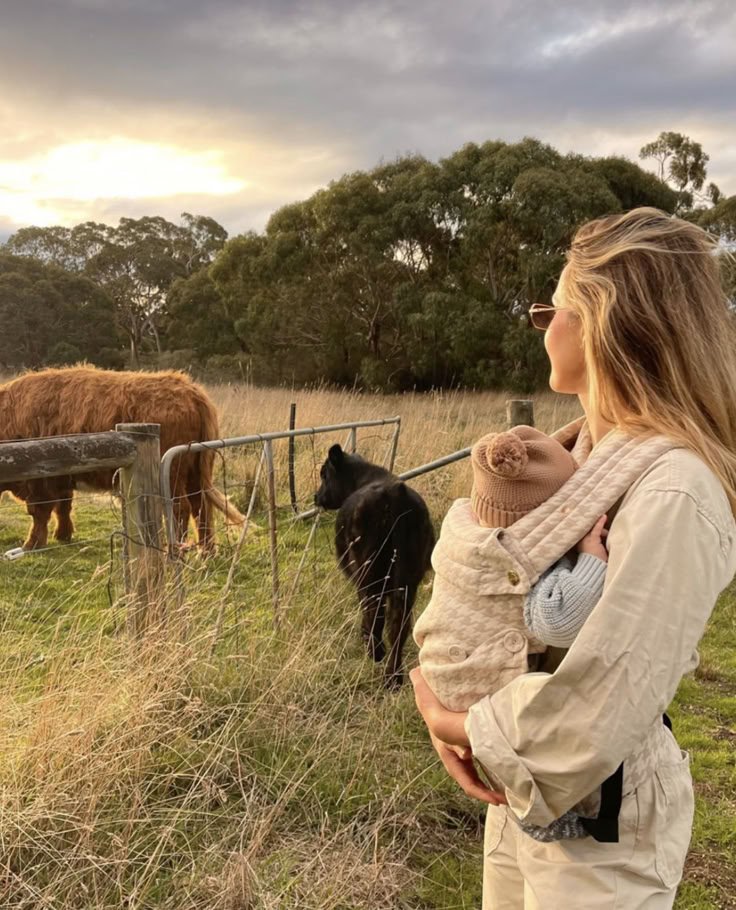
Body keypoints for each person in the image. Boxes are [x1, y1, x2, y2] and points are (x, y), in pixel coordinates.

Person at [410, 207, 736, 909]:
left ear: (600, 323)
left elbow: (606, 698)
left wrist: (456, 724)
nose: (542, 326)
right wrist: (445, 683)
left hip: (601, 819)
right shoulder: (582, 454)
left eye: (549, 309)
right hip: (522, 791)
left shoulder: (675, 490)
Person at [413, 425, 610, 841]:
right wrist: (591, 558)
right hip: (473, 676)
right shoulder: (520, 559)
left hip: (439, 662)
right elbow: (557, 620)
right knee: (520, 758)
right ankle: (543, 819)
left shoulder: (463, 530)